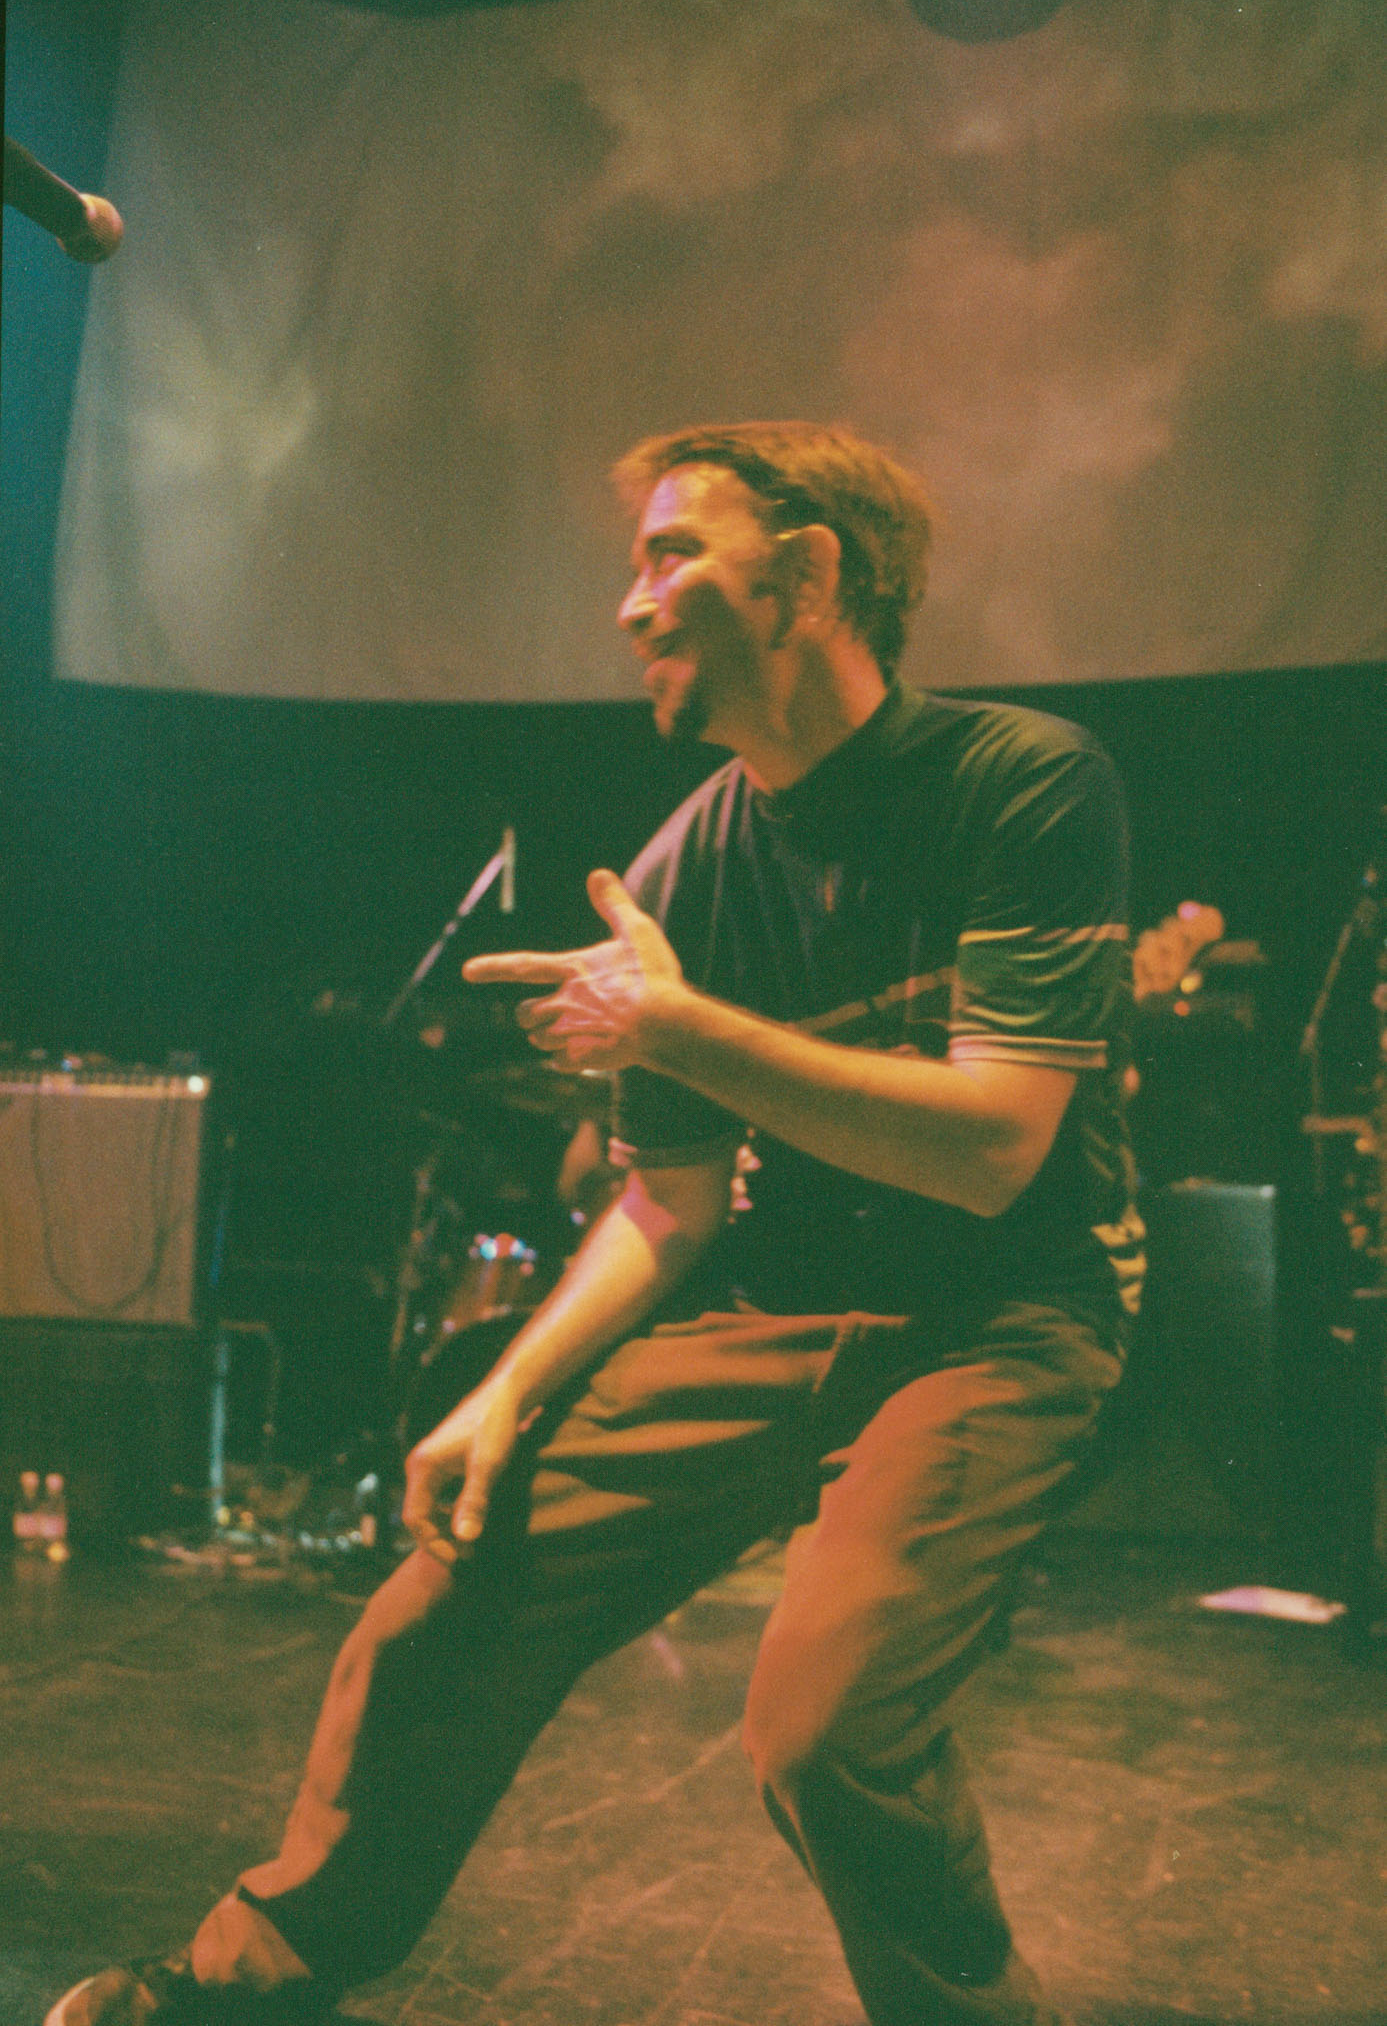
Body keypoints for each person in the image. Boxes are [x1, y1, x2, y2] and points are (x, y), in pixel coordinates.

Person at [48, 422, 1143, 2026]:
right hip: (773, 1314)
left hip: (1000, 1323)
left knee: (826, 1732)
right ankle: (251, 1977)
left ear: (808, 578)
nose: (629, 607)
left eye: (670, 556)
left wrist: (676, 1029)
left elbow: (994, 1151)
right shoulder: (688, 862)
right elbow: (668, 1205)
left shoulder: (1021, 782)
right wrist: (506, 1394)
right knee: (446, 1602)